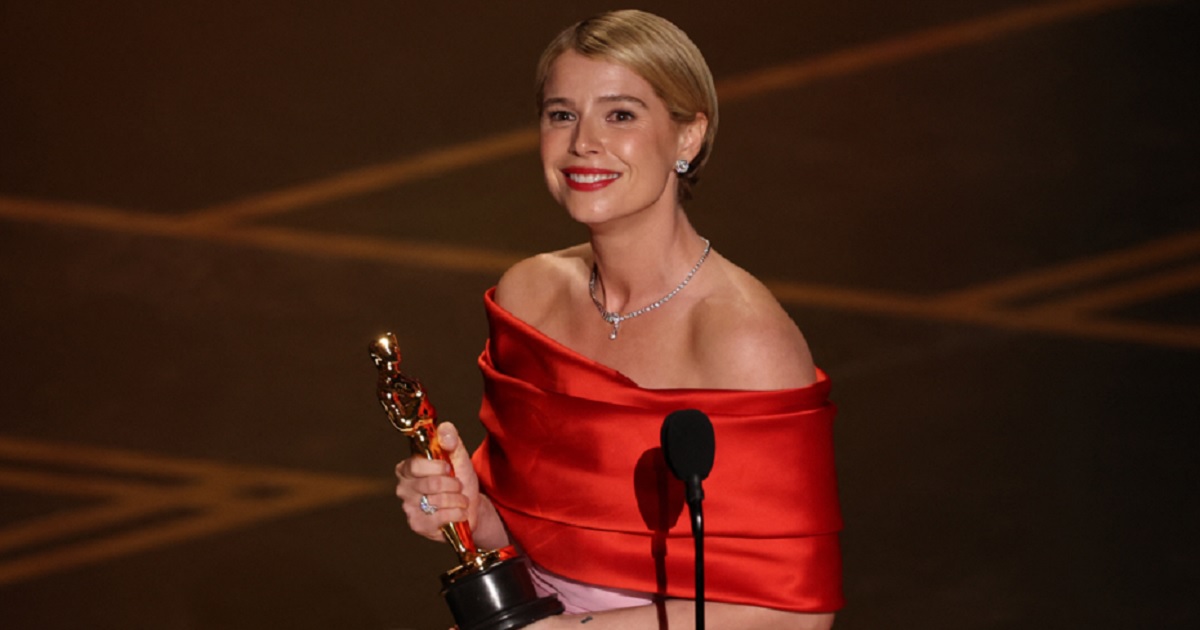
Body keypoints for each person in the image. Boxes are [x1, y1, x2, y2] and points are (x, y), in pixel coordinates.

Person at [395, 10, 842, 629]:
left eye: (621, 115)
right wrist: (465, 508)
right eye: (561, 114)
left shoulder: (742, 339)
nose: (583, 142)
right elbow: (537, 533)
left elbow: (791, 616)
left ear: (688, 137)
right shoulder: (529, 299)